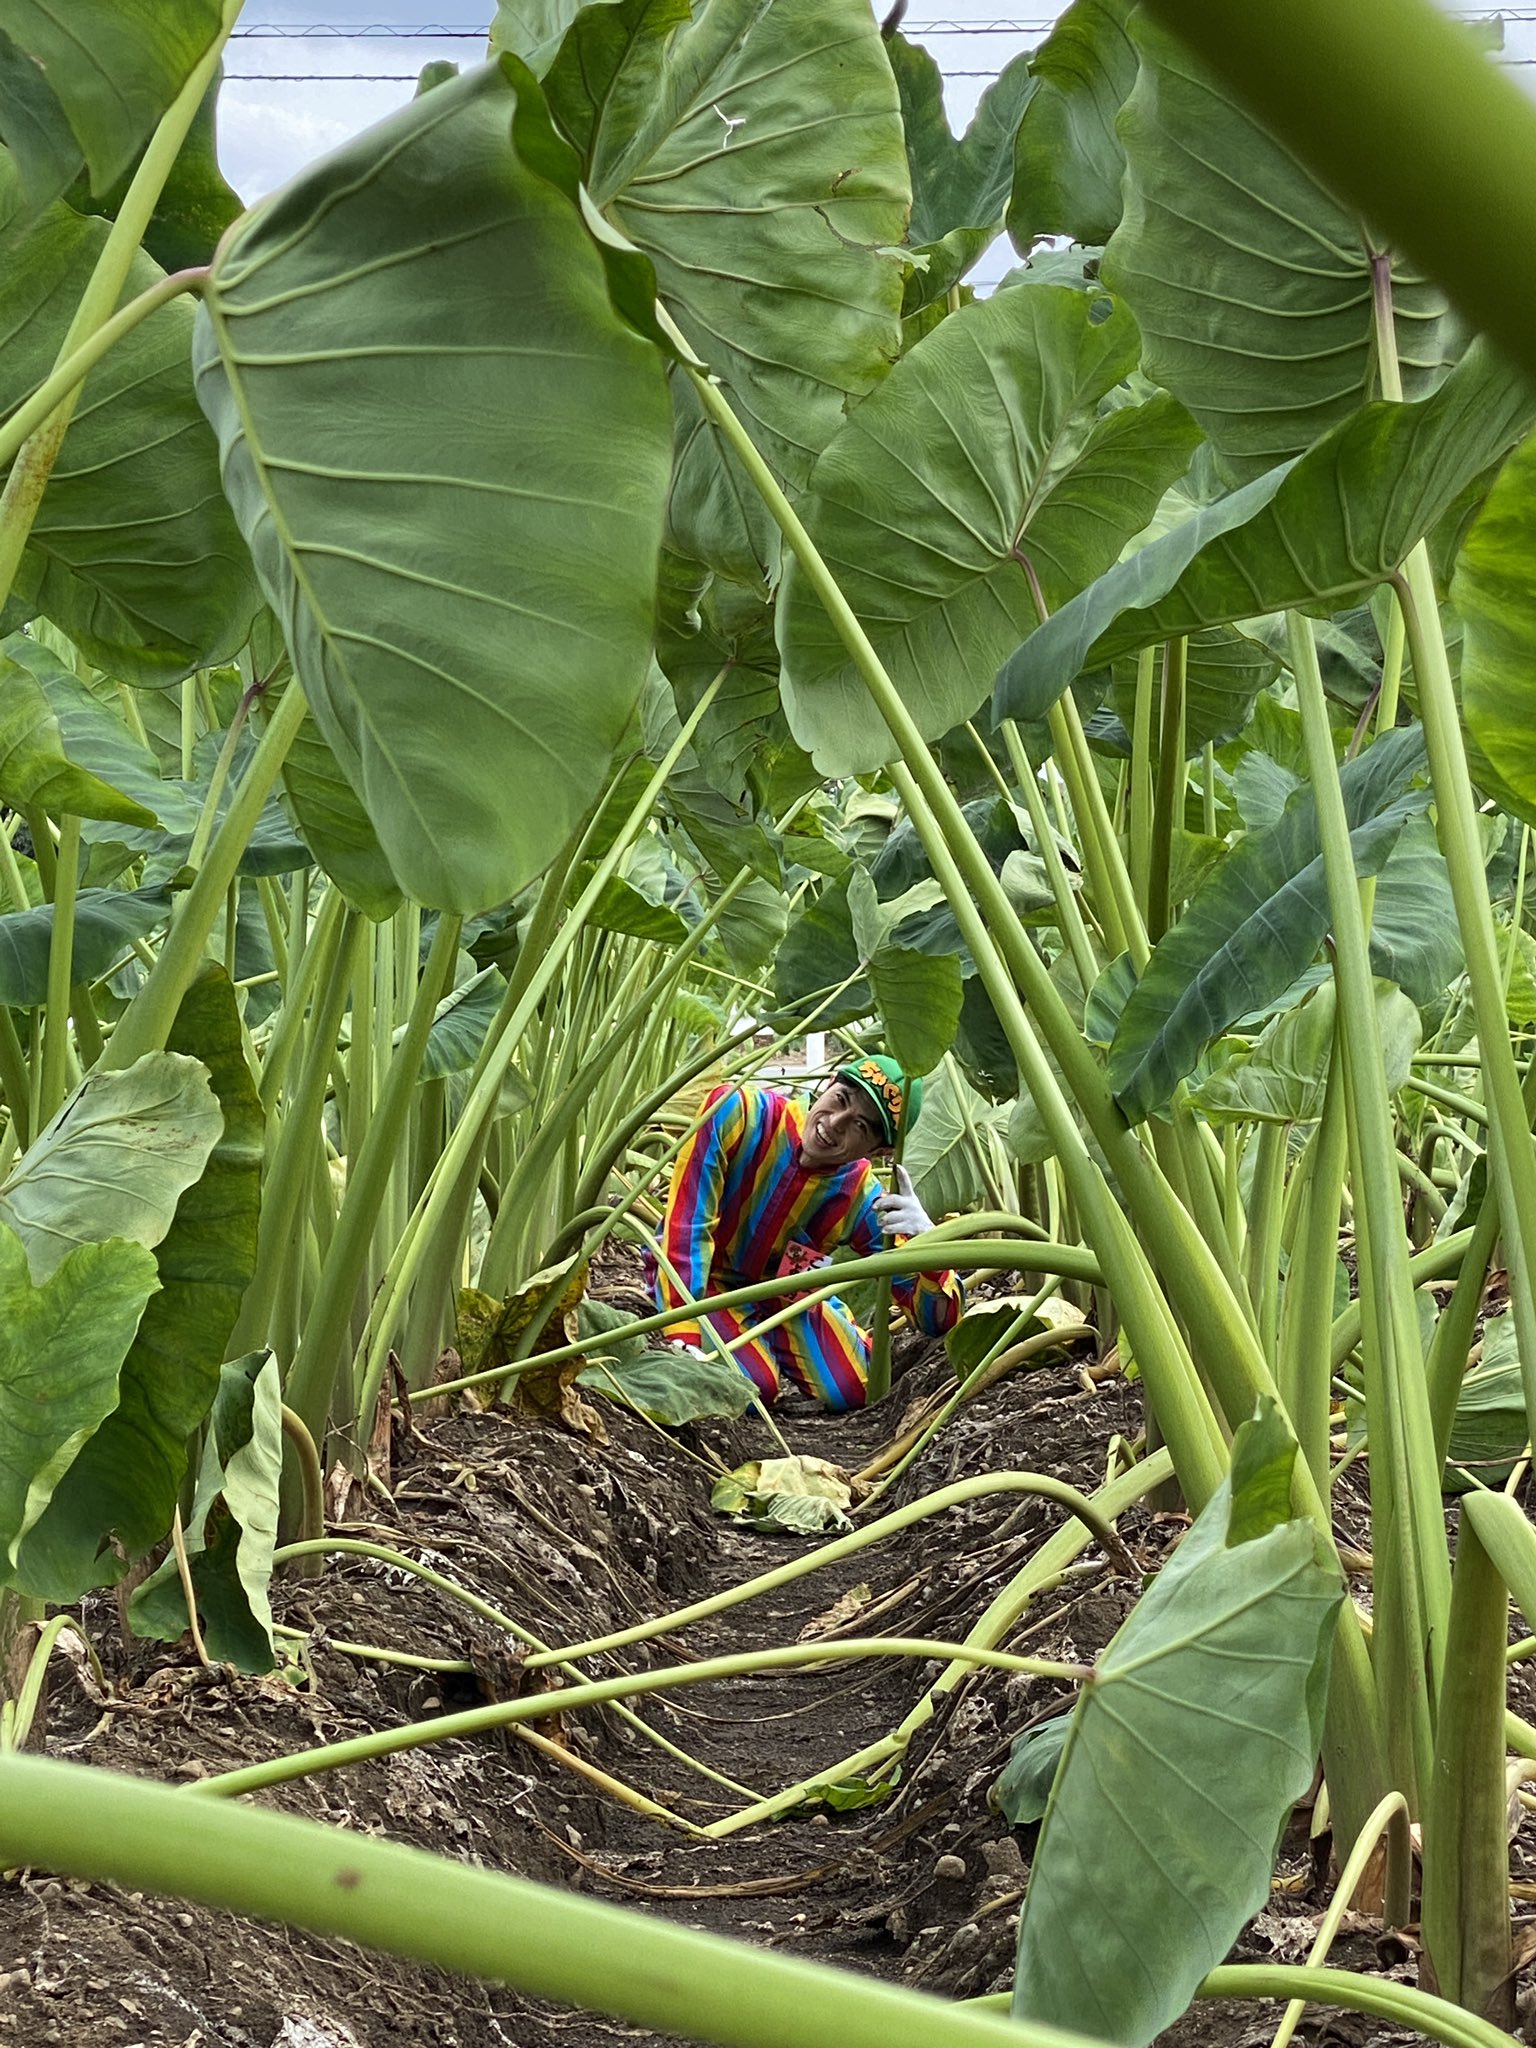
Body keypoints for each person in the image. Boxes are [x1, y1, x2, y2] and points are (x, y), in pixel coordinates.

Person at [653, 1054, 963, 1412]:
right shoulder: (738, 1113)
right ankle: (742, 1343)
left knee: (857, 1387)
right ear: (830, 1082)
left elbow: (936, 1319)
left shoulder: (862, 1198)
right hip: (706, 1280)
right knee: (750, 1387)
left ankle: (771, 1337)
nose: (835, 1123)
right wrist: (682, 1330)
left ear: (879, 1152)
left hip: (784, 1295)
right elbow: (687, 1225)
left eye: (860, 1126)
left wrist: (928, 1243)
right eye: (841, 1100)